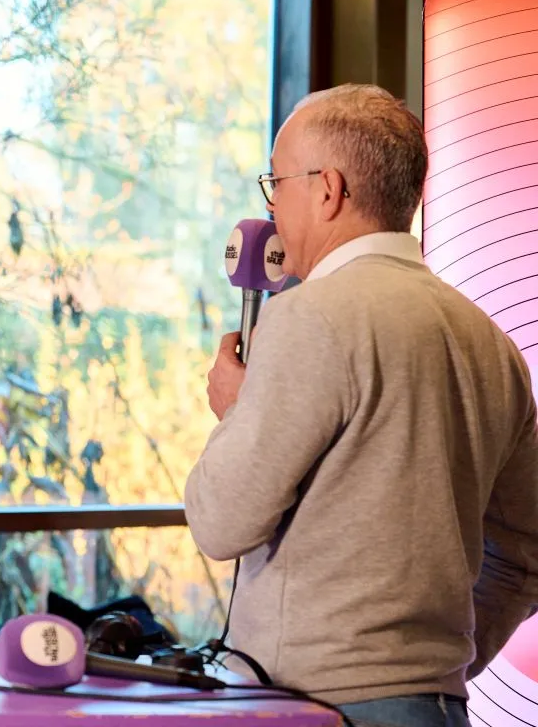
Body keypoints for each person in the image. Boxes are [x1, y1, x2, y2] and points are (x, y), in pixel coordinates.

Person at [184, 84, 538, 726]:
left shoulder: (309, 316)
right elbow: (526, 551)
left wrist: (239, 411)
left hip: (322, 709)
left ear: (328, 189)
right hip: (438, 707)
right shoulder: (492, 342)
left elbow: (219, 521)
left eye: (277, 183)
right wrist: (426, 663)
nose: (271, 206)